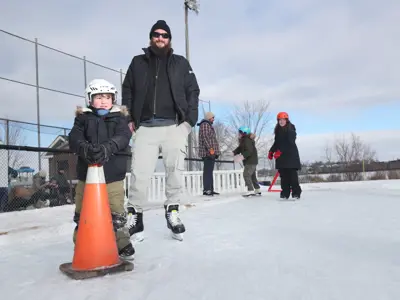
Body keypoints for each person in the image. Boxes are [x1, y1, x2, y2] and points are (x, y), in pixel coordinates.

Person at [121, 20, 200, 241]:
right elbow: (127, 90)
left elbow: (193, 91)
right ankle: (135, 217)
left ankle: (173, 211)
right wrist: (128, 118)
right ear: (151, 37)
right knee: (139, 174)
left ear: (169, 39)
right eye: (156, 34)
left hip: (173, 126)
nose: (160, 38)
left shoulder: (180, 63)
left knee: (174, 171)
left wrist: (188, 122)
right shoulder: (138, 63)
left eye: (164, 35)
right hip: (145, 127)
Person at [68, 78, 135, 260]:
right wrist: (85, 148)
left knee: (116, 211)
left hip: (112, 175)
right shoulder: (82, 118)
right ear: (90, 99)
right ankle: (82, 244)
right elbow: (74, 138)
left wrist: (108, 147)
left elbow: (123, 136)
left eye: (107, 96)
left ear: (113, 99)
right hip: (86, 178)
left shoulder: (120, 118)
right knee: (83, 213)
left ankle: (122, 243)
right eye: (98, 97)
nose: (104, 100)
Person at [268, 112, 302, 199]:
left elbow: (290, 142)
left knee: (292, 177)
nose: (281, 121)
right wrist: (271, 151)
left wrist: (280, 151)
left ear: (286, 120)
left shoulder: (291, 129)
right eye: (280, 120)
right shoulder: (278, 131)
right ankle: (285, 193)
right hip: (282, 158)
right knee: (283, 176)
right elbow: (277, 143)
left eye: (283, 120)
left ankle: (296, 193)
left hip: (291, 156)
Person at [233, 127, 261, 197]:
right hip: (251, 161)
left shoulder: (247, 140)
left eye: (240, 132)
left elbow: (249, 151)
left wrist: (242, 156)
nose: (238, 134)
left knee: (246, 175)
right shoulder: (244, 140)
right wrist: (234, 152)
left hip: (250, 161)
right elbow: (240, 148)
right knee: (252, 176)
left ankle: (250, 190)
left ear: (244, 133)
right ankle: (257, 189)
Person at [197, 112, 220, 196]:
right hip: (207, 153)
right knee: (207, 171)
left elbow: (212, 139)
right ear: (209, 118)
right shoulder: (205, 125)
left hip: (211, 152)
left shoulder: (209, 125)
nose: (213, 119)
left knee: (210, 171)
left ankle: (210, 189)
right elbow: (205, 138)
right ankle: (207, 189)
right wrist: (211, 150)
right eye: (212, 118)